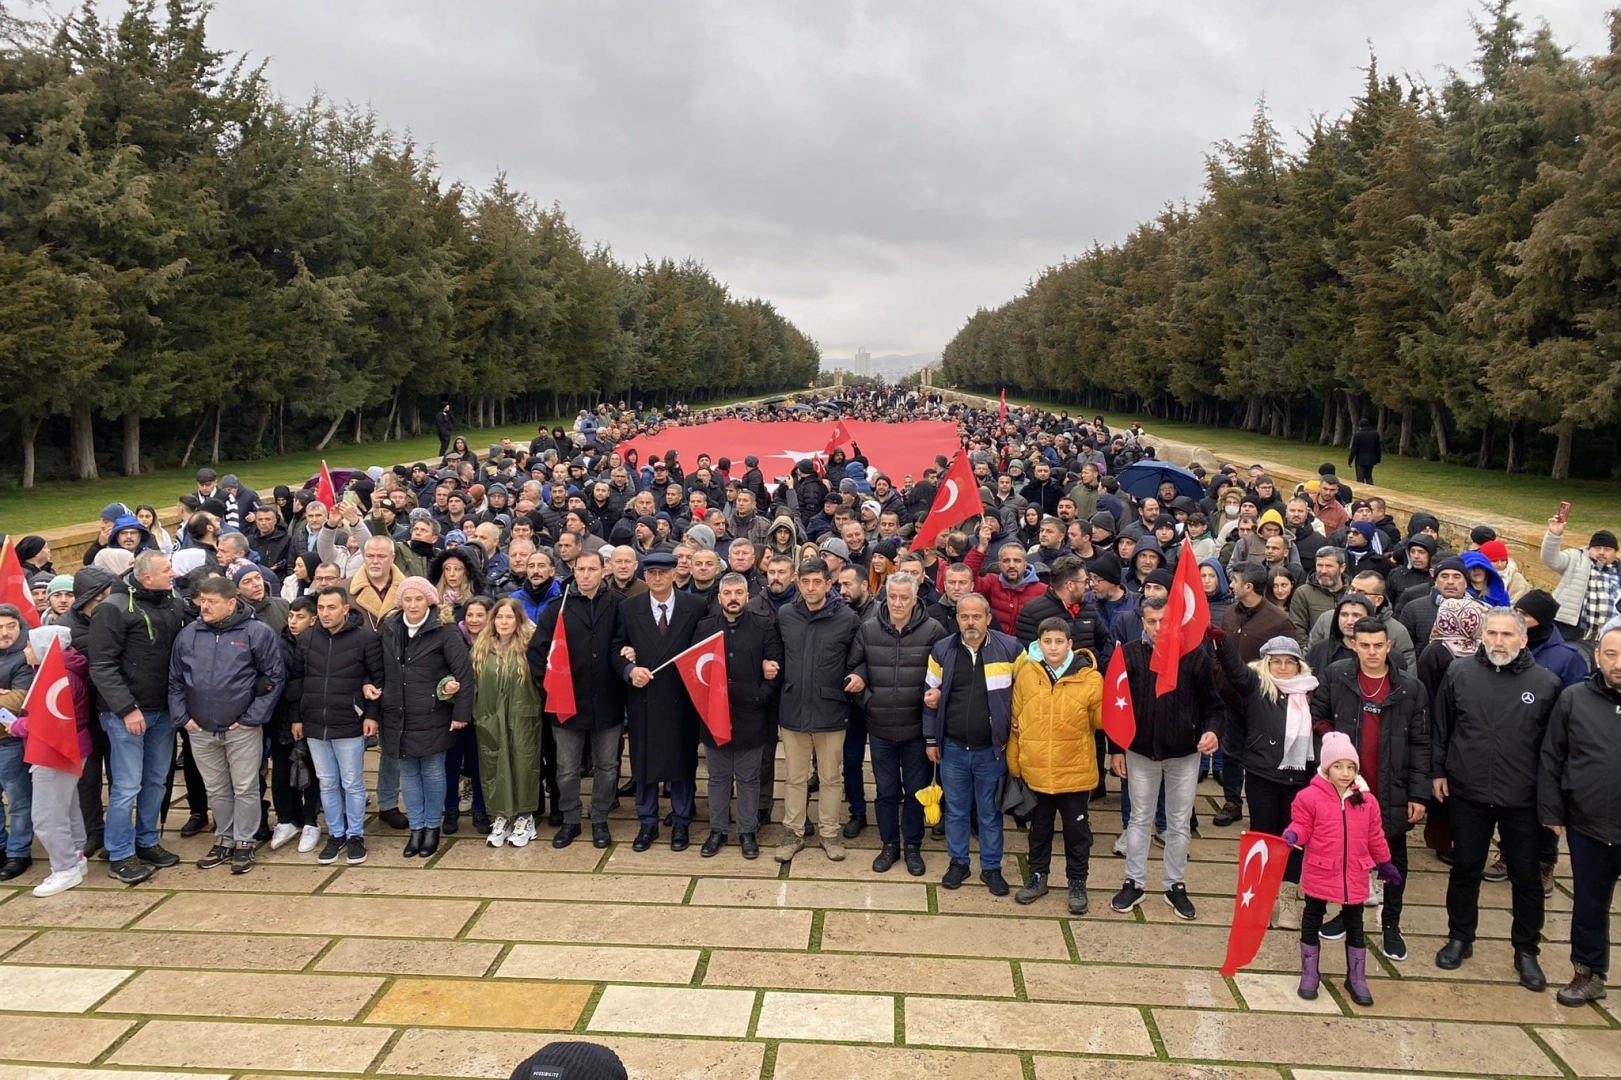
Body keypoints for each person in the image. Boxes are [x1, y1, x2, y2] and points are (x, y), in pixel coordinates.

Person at [1432, 607, 1563, 991]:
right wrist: (1439, 772)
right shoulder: (1460, 673)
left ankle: (1526, 950)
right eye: (1492, 634)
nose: (1498, 641)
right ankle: (1460, 938)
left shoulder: (1546, 683)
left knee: (1525, 878)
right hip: (1468, 792)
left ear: (1523, 640)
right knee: (1465, 868)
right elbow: (1442, 727)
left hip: (1522, 798)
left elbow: (1554, 749)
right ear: (1482, 637)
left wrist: (1550, 801)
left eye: (1507, 635)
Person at [1310, 617, 1431, 963]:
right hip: (1348, 789)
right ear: (1353, 645)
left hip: (1391, 789)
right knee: (1349, 859)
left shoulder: (1409, 687)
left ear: (1389, 646)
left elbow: (1422, 743)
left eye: (1379, 645)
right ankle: (1349, 918)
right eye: (1365, 645)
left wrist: (1418, 794)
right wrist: (1332, 740)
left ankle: (1391, 925)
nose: (1372, 652)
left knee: (1392, 862)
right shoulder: (1337, 676)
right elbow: (1318, 714)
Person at [1110, 599, 1222, 919]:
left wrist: (1213, 731)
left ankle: (1175, 883)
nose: (1157, 628)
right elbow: (1116, 706)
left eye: (1163, 621)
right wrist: (1116, 749)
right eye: (1151, 621)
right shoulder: (1129, 654)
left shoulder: (1194, 655)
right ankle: (1134, 880)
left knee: (1178, 821)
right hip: (1140, 752)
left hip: (1184, 753)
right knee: (1139, 818)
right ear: (1142, 621)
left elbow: (1215, 705)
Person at [168, 576, 285, 876]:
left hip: (241, 729)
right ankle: (225, 838)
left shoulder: (256, 633)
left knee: (245, 787)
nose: (204, 606)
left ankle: (244, 842)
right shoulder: (189, 635)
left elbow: (273, 677)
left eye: (212, 602)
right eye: (202, 601)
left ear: (231, 603)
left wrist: (251, 718)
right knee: (217, 788)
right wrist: (184, 718)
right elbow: (176, 680)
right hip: (200, 729)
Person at [87, 550, 186, 884]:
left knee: (156, 780)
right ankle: (119, 852)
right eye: (166, 569)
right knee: (126, 785)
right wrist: (127, 708)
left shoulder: (172, 602)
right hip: (125, 715)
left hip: (163, 711)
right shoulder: (112, 609)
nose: (173, 573)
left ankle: (146, 840)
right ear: (147, 578)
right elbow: (102, 665)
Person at [1283, 731, 1401, 1007]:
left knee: (1355, 924)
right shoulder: (1309, 797)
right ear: (1326, 767)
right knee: (1312, 916)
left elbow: (1375, 836)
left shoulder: (1367, 801)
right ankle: (1310, 972)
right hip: (1321, 869)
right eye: (1338, 766)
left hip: (1355, 873)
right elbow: (1302, 825)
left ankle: (1357, 977)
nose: (1345, 772)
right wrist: (1292, 835)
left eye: (1351, 767)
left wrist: (1384, 862)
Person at [1539, 622, 1621, 1007]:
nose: (1618, 663)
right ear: (1597, 656)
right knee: (1589, 904)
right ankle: (1588, 972)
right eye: (1611, 654)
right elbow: (1553, 756)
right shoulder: (1574, 698)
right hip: (1589, 825)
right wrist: (1553, 809)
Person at [1213, 634, 1317, 929]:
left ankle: (1287, 900)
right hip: (1263, 774)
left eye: (1289, 662)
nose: (1283, 668)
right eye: (1276, 661)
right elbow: (1235, 669)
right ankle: (1259, 897)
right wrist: (1221, 643)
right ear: (1266, 663)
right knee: (1263, 837)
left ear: (1299, 666)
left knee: (1294, 840)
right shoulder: (1257, 686)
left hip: (1300, 778)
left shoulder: (1311, 690)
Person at [923, 592, 1022, 894]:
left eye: (976, 616)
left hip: (992, 750)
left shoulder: (1011, 649)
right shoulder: (942, 650)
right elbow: (929, 697)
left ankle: (991, 868)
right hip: (952, 748)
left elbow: (1026, 692)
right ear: (956, 619)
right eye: (964, 616)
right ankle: (959, 863)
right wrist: (931, 739)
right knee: (956, 811)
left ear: (989, 618)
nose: (970, 622)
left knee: (990, 813)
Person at [849, 571, 942, 876]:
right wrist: (869, 702)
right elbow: (854, 667)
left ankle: (913, 845)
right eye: (893, 596)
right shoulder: (869, 629)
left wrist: (935, 698)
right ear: (884, 596)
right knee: (887, 791)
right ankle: (890, 844)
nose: (898, 603)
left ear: (916, 597)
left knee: (916, 790)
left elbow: (945, 674)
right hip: (880, 727)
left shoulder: (933, 631)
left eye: (905, 597)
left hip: (917, 728)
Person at [532, 549, 626, 850]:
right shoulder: (556, 608)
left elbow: (626, 645)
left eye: (592, 569)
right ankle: (571, 819)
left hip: (607, 701)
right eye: (581, 569)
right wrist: (548, 688)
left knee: (608, 766)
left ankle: (599, 818)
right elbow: (537, 652)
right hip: (566, 702)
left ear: (604, 570)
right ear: (573, 570)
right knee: (567, 768)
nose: (586, 575)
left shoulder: (619, 605)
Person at [1009, 617, 1103, 914]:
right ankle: (1038, 876)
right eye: (1046, 641)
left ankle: (1077, 881)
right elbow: (1016, 721)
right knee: (1039, 829)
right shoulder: (1027, 675)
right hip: (1037, 771)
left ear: (1070, 644)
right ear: (1038, 644)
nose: (1053, 647)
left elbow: (1099, 721)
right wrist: (1015, 762)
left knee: (1077, 833)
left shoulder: (1089, 678)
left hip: (1074, 771)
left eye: (1059, 641)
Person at [774, 557, 863, 863]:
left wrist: (860, 674)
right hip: (794, 707)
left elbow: (859, 657)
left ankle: (829, 833)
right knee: (795, 777)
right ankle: (793, 832)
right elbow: (775, 652)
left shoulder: (848, 619)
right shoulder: (785, 615)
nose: (811, 588)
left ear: (829, 585)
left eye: (817, 582)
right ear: (797, 582)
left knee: (830, 777)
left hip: (831, 709)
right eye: (805, 581)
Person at [616, 551, 706, 852]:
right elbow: (616, 648)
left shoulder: (695, 606)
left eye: (663, 573)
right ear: (645, 575)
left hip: (682, 701)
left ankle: (681, 822)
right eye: (651, 573)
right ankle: (648, 823)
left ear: (674, 574)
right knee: (643, 764)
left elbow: (705, 648)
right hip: (645, 699)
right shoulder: (629, 608)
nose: (657, 578)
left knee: (682, 763)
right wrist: (630, 670)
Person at [379, 577, 474, 858]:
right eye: (407, 599)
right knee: (408, 774)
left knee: (433, 774)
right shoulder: (391, 628)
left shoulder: (444, 631)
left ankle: (432, 828)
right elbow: (381, 670)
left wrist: (461, 713)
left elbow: (464, 675)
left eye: (418, 599)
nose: (412, 605)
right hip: (397, 715)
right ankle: (416, 829)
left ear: (430, 601)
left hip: (433, 715)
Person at [694, 572, 783, 859]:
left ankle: (747, 831)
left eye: (738, 593)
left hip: (751, 715)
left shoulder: (764, 625)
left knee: (748, 778)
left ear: (747, 596)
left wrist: (760, 697)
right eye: (727, 593)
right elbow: (694, 667)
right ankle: (718, 830)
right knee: (718, 777)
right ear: (719, 597)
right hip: (714, 715)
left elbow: (776, 667)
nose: (733, 598)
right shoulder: (705, 627)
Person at [294, 585, 383, 866]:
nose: (325, 613)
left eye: (331, 608)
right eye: (320, 608)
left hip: (349, 722)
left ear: (345, 609)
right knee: (327, 782)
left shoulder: (365, 639)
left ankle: (356, 835)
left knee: (352, 782)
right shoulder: (307, 639)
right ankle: (336, 834)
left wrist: (371, 715)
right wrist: (296, 718)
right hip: (315, 724)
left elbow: (376, 679)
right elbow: (297, 681)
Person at [10, 625, 91, 896]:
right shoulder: (59, 671)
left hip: (55, 752)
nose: (25, 650)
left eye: (31, 645)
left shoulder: (60, 676)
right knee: (66, 807)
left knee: (46, 814)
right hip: (69, 749)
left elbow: (48, 722)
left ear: (44, 649)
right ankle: (75, 856)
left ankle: (65, 867)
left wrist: (17, 727)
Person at [471, 597, 542, 848]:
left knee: (523, 765)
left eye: (509, 617)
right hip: (490, 718)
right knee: (494, 767)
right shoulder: (481, 648)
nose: (503, 622)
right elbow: (470, 682)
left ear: (518, 620)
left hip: (523, 718)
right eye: (499, 617)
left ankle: (525, 817)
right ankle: (502, 815)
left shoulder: (529, 647)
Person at [1540, 517, 1620, 664]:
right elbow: (1550, 559)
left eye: (1607, 549)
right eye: (1597, 548)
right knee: (1569, 663)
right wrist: (1554, 534)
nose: (1601, 552)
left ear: (1615, 553)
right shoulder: (1576, 558)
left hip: (1608, 635)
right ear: (1590, 549)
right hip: (1571, 630)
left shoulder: (1618, 572)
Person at [0, 608, 38, 881]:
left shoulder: (25, 660)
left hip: (10, 742)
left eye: (11, 626)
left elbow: (18, 703)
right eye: (0, 627)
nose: (5, 633)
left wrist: (9, 697)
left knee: (19, 801)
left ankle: (18, 852)